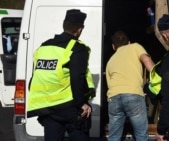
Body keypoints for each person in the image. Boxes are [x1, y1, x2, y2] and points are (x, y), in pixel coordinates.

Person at [27, 9, 92, 141]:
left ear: (64, 25)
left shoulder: (43, 47)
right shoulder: (77, 48)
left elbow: (35, 76)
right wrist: (82, 104)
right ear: (79, 29)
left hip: (48, 109)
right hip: (69, 107)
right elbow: (77, 78)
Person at [105, 30, 155, 141]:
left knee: (114, 137)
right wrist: (159, 78)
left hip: (113, 98)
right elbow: (146, 59)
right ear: (129, 42)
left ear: (113, 46)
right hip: (133, 95)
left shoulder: (110, 61)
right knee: (141, 136)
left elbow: (110, 84)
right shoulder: (135, 46)